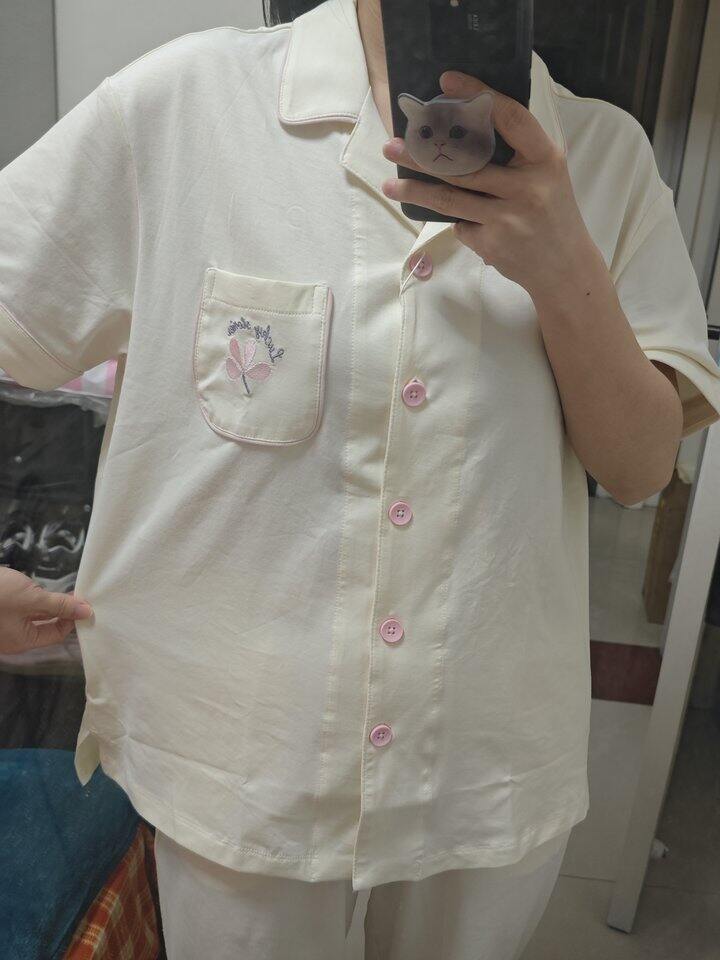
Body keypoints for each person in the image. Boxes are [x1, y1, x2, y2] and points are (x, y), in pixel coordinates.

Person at [1, 0, 719, 956]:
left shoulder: (605, 157)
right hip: (236, 759)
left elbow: (637, 469)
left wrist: (562, 266)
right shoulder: (188, 106)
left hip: (480, 767)